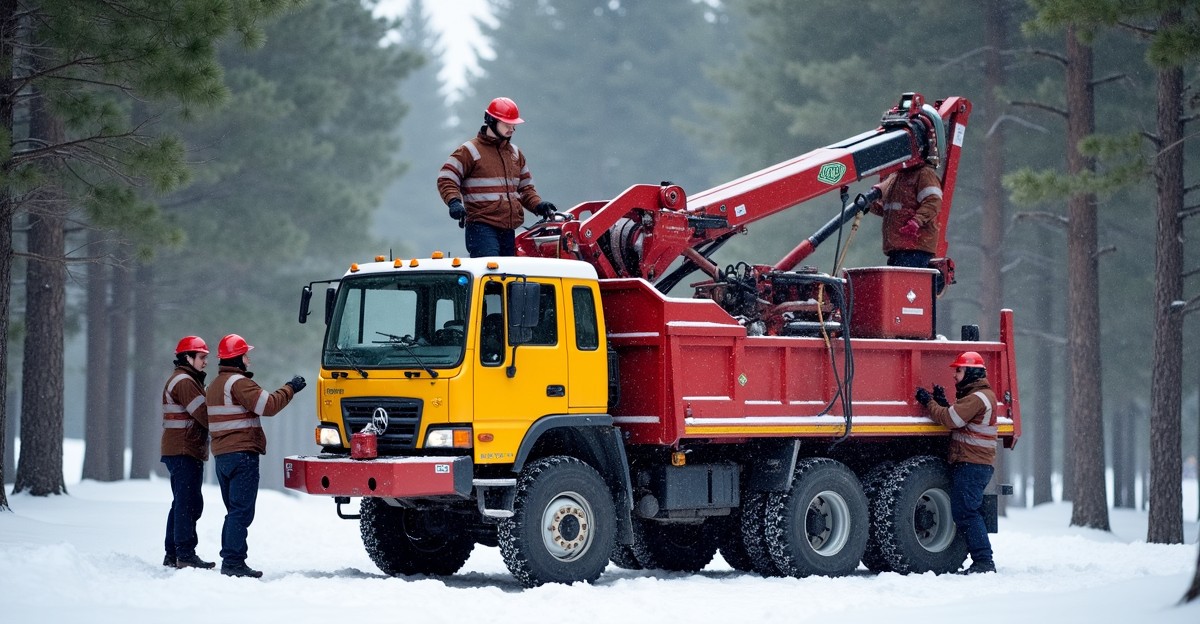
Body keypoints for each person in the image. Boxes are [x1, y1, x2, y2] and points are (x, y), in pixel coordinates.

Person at [206, 334, 306, 578]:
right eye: (245, 355)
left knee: (234, 511)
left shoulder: (214, 386)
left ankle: (232, 559)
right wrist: (290, 388)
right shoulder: (238, 383)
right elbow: (268, 405)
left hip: (222, 456)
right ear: (237, 358)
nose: (248, 360)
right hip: (242, 455)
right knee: (241, 512)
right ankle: (233, 562)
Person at [437, 96, 557, 258]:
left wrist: (538, 205)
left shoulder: (515, 154)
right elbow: (447, 178)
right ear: (491, 121)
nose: (511, 129)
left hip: (508, 229)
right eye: (507, 125)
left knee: (505, 273)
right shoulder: (470, 150)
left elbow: (525, 189)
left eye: (513, 125)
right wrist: (454, 202)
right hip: (481, 227)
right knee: (491, 269)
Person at [915, 351, 998, 574]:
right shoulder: (977, 396)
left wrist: (929, 403)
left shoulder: (977, 398)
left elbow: (950, 420)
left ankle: (984, 561)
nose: (955, 375)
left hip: (972, 464)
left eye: (959, 370)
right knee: (967, 511)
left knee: (966, 512)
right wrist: (943, 403)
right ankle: (983, 559)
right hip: (973, 463)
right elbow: (959, 419)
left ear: (971, 372)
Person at [161, 336, 215, 570]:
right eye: (201, 357)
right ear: (187, 357)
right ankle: (184, 554)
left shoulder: (188, 379)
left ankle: (173, 553)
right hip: (184, 449)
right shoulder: (184, 381)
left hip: (183, 448)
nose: (205, 362)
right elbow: (204, 414)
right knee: (188, 503)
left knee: (183, 502)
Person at [868, 160, 943, 268]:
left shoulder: (924, 174)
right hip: (898, 249)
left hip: (915, 249)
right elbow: (889, 209)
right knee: (900, 278)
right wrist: (868, 204)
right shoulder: (896, 177)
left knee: (906, 278)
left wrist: (917, 221)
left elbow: (933, 201)